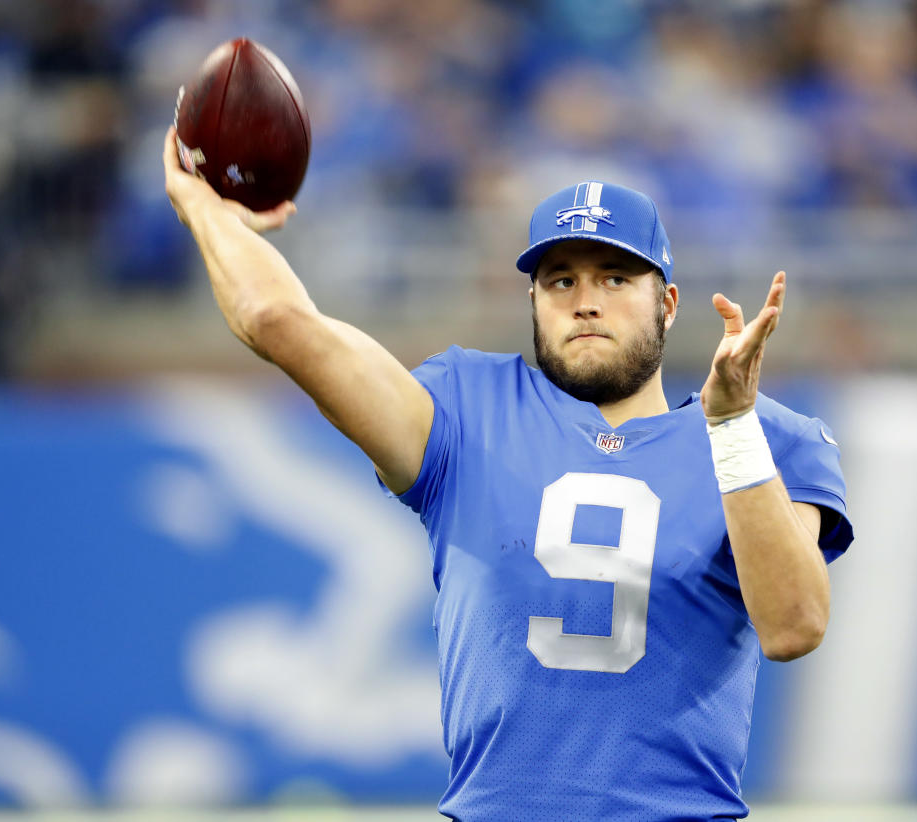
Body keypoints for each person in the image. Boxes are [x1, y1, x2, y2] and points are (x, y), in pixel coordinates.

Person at [162, 128, 853, 820]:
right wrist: (205, 210)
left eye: (615, 277)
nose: (586, 300)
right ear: (532, 303)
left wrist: (732, 427)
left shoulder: (764, 437)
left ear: (666, 303)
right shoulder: (465, 409)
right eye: (561, 280)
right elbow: (277, 320)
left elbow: (794, 627)